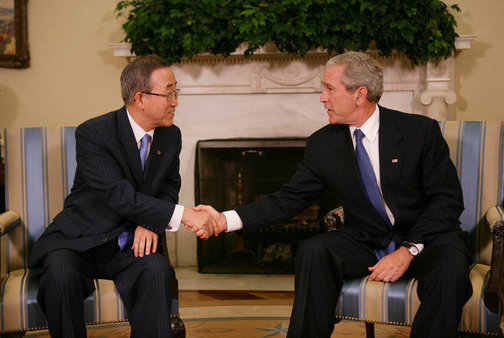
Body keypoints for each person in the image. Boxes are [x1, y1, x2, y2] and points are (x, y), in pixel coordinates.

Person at [193, 51, 472, 337]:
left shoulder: (419, 131)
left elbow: (446, 200)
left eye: (329, 88)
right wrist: (224, 220)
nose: (322, 98)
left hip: (426, 240)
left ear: (360, 94)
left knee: (450, 270)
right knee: (314, 250)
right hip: (367, 240)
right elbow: (288, 199)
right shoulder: (323, 143)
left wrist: (408, 249)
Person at [29, 55, 214, 338]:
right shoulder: (94, 133)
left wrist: (150, 223)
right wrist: (185, 214)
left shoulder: (170, 135)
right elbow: (119, 195)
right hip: (80, 241)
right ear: (140, 98)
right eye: (169, 93)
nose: (175, 101)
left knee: (157, 270)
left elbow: (168, 188)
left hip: (129, 244)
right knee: (60, 278)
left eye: (176, 92)